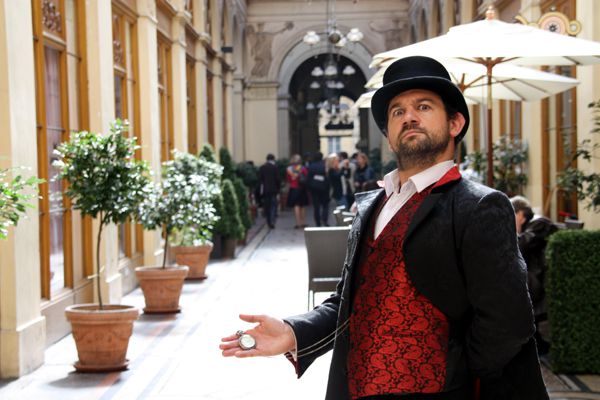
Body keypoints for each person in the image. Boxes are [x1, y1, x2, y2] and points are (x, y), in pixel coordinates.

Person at [220, 56, 548, 400]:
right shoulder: (372, 206)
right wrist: (293, 332)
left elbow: (508, 323)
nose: (409, 116)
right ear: (390, 138)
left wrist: (450, 374)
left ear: (455, 123)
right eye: (397, 111)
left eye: (423, 106)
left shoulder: (481, 206)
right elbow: (349, 303)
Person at [510, 196, 558, 355]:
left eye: (513, 215)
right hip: (535, 277)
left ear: (521, 214)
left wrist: (512, 232)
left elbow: (521, 246)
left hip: (539, 279)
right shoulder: (530, 227)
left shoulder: (539, 223)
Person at [306, 151, 330, 227]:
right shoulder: (324, 165)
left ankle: (318, 223)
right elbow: (327, 177)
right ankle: (324, 219)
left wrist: (309, 187)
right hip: (324, 188)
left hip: (314, 188)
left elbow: (308, 178)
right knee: (325, 205)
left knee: (316, 206)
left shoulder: (311, 166)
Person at [258, 153, 280, 229]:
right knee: (273, 205)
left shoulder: (262, 168)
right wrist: (278, 189)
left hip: (265, 190)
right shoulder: (275, 168)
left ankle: (268, 221)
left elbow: (260, 180)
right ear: (273, 159)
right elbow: (278, 180)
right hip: (274, 190)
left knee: (267, 206)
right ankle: (272, 220)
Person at [286, 154, 309, 229]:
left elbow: (288, 179)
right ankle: (303, 222)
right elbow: (306, 177)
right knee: (302, 206)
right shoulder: (302, 168)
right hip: (301, 188)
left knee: (296, 206)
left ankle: (298, 223)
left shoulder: (289, 169)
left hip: (293, 188)